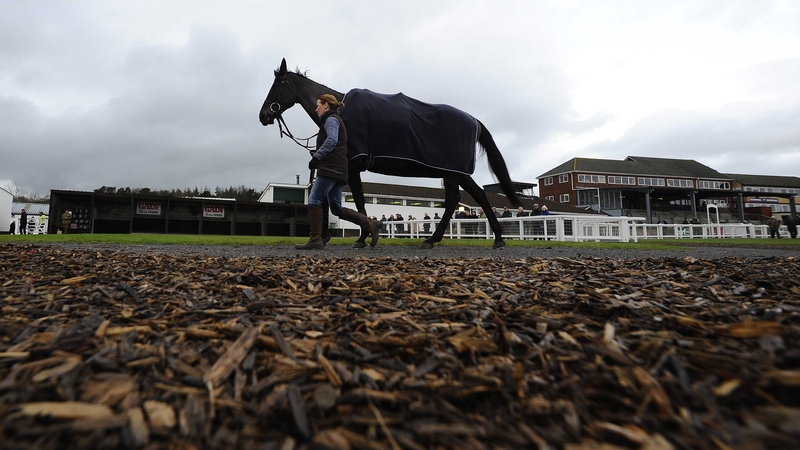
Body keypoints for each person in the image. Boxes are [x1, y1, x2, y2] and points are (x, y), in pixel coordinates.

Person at [296, 94, 380, 250]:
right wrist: (319, 154)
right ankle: (370, 224)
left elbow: (332, 140)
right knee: (336, 208)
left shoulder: (331, 120)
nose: (316, 109)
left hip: (330, 169)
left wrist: (318, 157)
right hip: (338, 169)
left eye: (318, 105)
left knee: (314, 200)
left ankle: (315, 238)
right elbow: (335, 144)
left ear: (326, 105)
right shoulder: (335, 120)